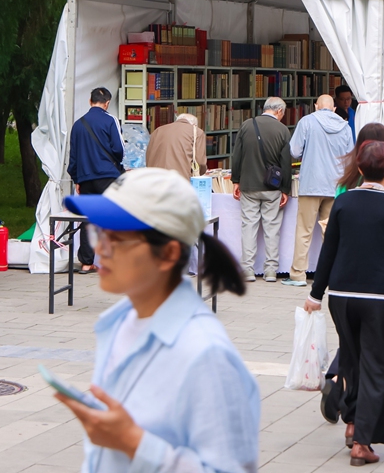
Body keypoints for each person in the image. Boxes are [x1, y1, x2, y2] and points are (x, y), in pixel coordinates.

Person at [60, 168, 257, 472]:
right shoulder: (117, 323)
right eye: (98, 232)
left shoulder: (206, 355)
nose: (100, 250)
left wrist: (132, 442)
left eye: (116, 239)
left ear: (167, 254)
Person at [305, 141, 384, 466]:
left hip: (342, 297)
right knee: (378, 367)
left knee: (352, 362)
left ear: (358, 170)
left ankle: (353, 420)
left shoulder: (344, 203)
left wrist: (316, 293)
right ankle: (362, 442)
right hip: (383, 299)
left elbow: (327, 252)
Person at [324, 123, 384, 421]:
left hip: (347, 276)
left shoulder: (345, 183)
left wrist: (317, 294)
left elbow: (335, 231)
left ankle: (339, 381)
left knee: (351, 340)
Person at [286, 95, 354, 286]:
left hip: (311, 184)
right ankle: (334, 274)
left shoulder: (307, 121)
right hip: (335, 185)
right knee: (331, 232)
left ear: (316, 106)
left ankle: (298, 274)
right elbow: (350, 158)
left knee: (304, 230)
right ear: (333, 109)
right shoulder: (345, 126)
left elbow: (294, 151)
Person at [230, 97, 292, 282]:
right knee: (272, 228)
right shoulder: (283, 130)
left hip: (248, 185)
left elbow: (237, 155)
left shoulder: (247, 125)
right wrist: (285, 189)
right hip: (272, 187)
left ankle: (248, 270)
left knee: (248, 226)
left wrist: (236, 180)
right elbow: (286, 163)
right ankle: (271, 271)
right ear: (279, 111)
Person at [69, 87, 125, 274]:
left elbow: (73, 158)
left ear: (89, 100)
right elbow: (119, 150)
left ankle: (86, 262)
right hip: (107, 176)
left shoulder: (78, 125)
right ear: (107, 103)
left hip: (86, 178)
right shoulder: (110, 120)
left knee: (87, 220)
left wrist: (77, 179)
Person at [144, 112, 206, 180]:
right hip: (179, 180)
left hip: (156, 179)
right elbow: (200, 162)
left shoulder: (158, 130)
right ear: (194, 124)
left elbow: (148, 157)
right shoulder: (196, 132)